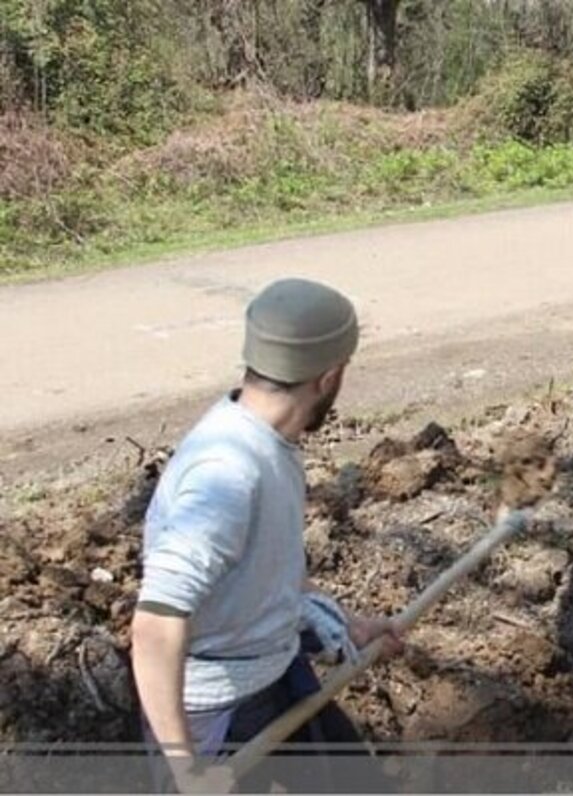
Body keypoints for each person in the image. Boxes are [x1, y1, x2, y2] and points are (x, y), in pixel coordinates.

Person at [131, 277, 404, 792]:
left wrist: (351, 624)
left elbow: (267, 569)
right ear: (330, 377)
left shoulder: (270, 442)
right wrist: (185, 769)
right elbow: (154, 626)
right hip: (216, 716)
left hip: (274, 671)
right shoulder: (226, 474)